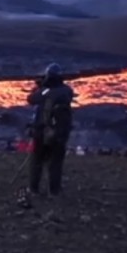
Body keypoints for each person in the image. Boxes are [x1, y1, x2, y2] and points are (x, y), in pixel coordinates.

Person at [26, 63, 74, 197]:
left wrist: (39, 87)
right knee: (56, 163)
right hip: (60, 133)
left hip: (41, 132)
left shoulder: (44, 92)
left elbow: (31, 99)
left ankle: (34, 189)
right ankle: (54, 191)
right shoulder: (66, 90)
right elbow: (68, 94)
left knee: (37, 161)